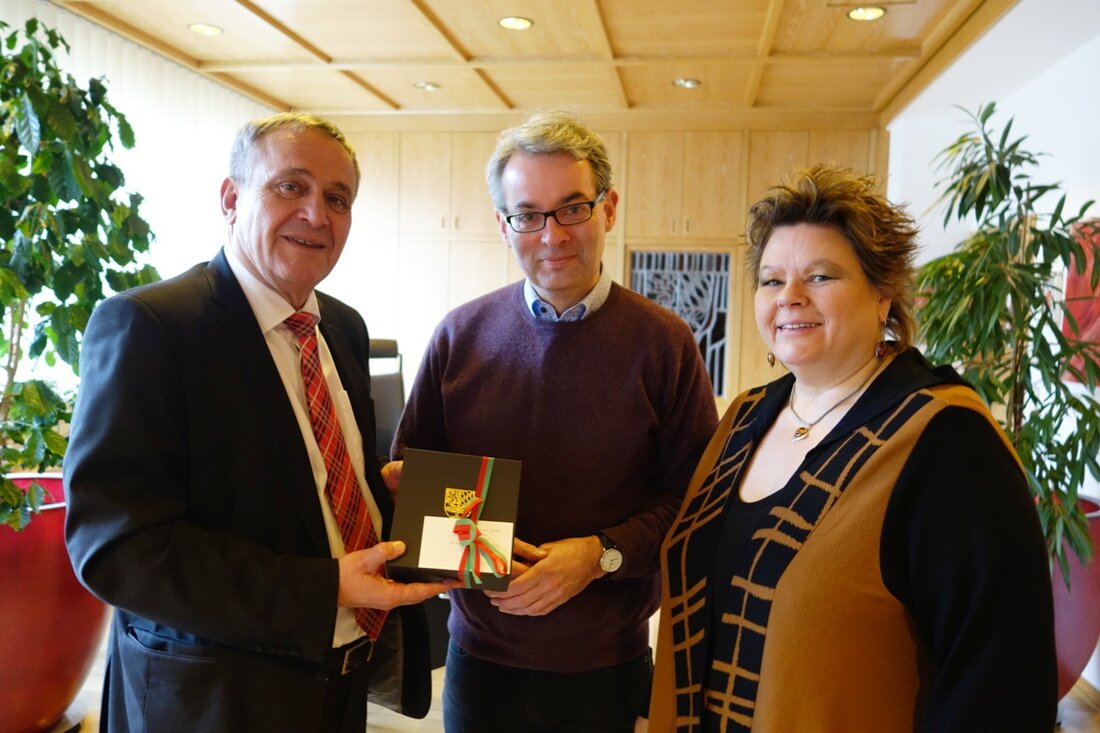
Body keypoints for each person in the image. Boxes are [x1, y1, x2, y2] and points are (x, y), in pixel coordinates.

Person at [63, 112, 457, 733]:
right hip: (215, 694)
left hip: (341, 681)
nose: (316, 215)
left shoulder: (346, 329)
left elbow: (304, 488)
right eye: (290, 186)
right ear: (230, 198)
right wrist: (321, 588)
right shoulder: (152, 325)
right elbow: (118, 547)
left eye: (337, 198)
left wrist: (391, 501)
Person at [648, 165, 1058, 732]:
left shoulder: (947, 442)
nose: (789, 297)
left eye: (820, 277)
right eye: (771, 280)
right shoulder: (743, 418)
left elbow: (998, 684)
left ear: (883, 294)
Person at [392, 109, 719, 733]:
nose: (553, 235)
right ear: (503, 224)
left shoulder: (665, 345)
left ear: (609, 209)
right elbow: (414, 474)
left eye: (573, 208)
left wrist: (601, 556)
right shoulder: (460, 337)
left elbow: (693, 503)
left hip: (606, 668)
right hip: (478, 665)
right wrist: (473, 540)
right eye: (529, 215)